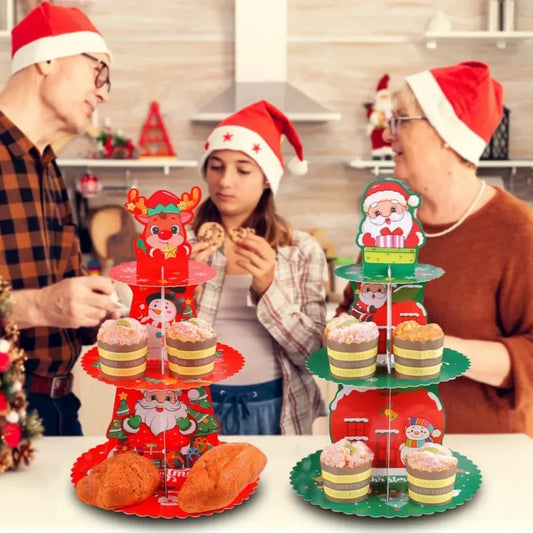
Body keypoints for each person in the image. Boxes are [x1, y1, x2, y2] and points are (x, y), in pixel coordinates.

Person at [337, 61, 533, 436]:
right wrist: (345, 330)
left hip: (483, 454)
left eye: (400, 121)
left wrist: (435, 348)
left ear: (446, 134)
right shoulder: (389, 224)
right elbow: (355, 308)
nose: (387, 136)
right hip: (388, 449)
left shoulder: (516, 229)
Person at [0, 2, 119, 436]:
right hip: (6, 401)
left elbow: (62, 298)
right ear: (47, 59)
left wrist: (100, 312)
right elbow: (45, 301)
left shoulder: (48, 167)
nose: (104, 93)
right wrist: (41, 305)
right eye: (99, 73)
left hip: (60, 407)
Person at [189, 100, 328, 435]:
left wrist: (267, 286)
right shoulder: (179, 244)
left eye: (243, 169)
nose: (225, 181)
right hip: (195, 407)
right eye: (216, 166)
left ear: (267, 179)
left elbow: (315, 355)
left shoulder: (300, 250)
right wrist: (181, 289)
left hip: (276, 409)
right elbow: (151, 347)